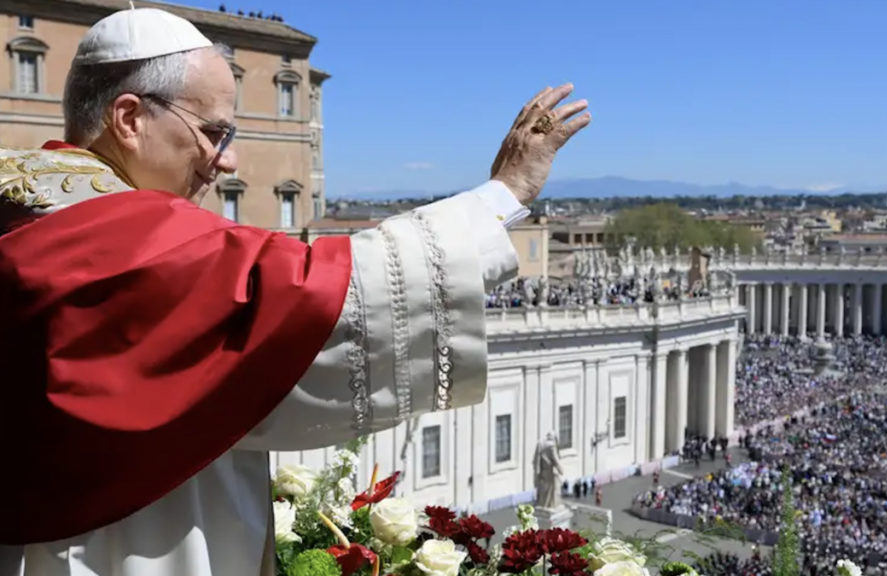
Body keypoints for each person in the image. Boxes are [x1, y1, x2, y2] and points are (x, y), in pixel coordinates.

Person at [0, 7, 590, 576]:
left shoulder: (24, 210)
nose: (225, 161)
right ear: (129, 119)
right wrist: (504, 193)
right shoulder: (122, 237)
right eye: (211, 133)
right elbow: (320, 295)